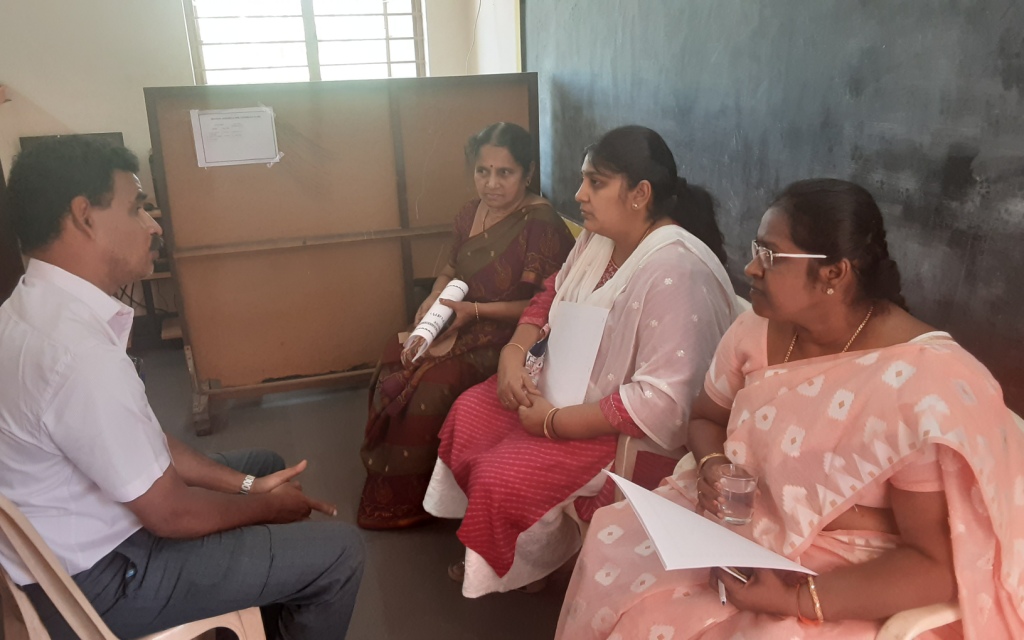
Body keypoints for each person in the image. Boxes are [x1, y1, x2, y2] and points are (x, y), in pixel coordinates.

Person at [556, 179, 1024, 639]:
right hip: (735, 528)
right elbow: (703, 418)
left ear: (834, 274)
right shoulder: (755, 331)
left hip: (847, 569)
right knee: (613, 545)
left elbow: (932, 565)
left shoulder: (921, 384)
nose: (750, 268)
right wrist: (714, 463)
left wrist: (798, 601)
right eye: (757, 250)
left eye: (770, 256)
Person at [0, 138, 364, 639]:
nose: (154, 226)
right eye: (137, 209)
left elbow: (144, 439)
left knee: (262, 465)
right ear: (84, 216)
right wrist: (265, 506)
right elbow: (169, 513)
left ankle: (267, 600)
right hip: (104, 580)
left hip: (72, 546)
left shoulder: (27, 308)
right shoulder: (75, 354)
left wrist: (249, 489)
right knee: (340, 554)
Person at [423, 126, 738, 596]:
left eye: (595, 182)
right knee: (469, 411)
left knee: (501, 474)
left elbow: (663, 403)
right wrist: (514, 352)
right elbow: (552, 291)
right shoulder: (600, 239)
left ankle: (532, 564)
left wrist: (553, 423)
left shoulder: (675, 272)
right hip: (558, 387)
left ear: (640, 194)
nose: (579, 195)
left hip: (615, 431)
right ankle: (536, 553)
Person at [358, 122, 574, 530]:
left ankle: (421, 497)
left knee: (433, 380)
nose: (491, 184)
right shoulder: (469, 212)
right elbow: (453, 267)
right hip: (460, 315)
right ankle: (395, 486)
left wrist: (473, 312)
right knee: (396, 351)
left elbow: (542, 306)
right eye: (482, 171)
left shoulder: (539, 224)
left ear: (527, 173)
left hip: (509, 334)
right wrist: (432, 300)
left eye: (504, 173)